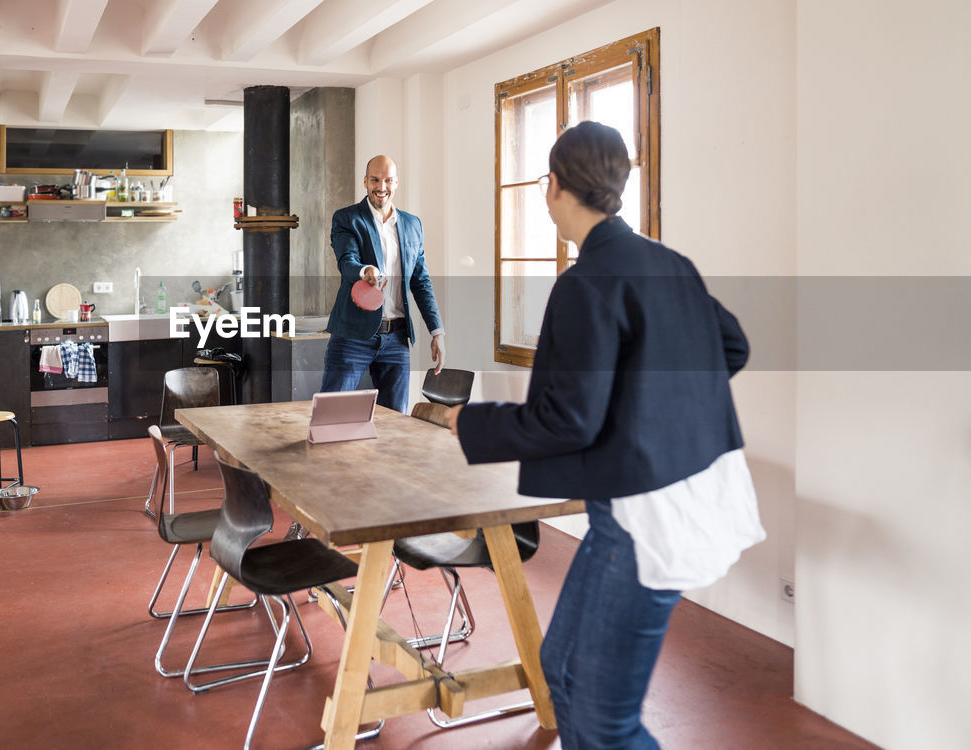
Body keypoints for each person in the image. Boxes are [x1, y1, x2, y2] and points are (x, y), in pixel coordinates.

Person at [448, 121, 765, 749]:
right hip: (652, 506)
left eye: (545, 183)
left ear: (557, 186)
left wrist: (470, 421)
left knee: (602, 723)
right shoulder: (669, 264)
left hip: (649, 521)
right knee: (561, 674)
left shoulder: (584, 284)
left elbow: (569, 419)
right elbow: (731, 346)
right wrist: (653, 406)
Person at [321, 154, 445, 413]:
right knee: (331, 414)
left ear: (396, 183)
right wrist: (365, 270)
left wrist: (437, 332)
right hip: (352, 335)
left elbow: (421, 281)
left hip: (397, 339)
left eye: (388, 180)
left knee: (395, 421)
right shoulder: (347, 218)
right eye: (375, 180)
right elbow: (347, 261)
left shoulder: (412, 224)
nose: (381, 187)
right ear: (365, 181)